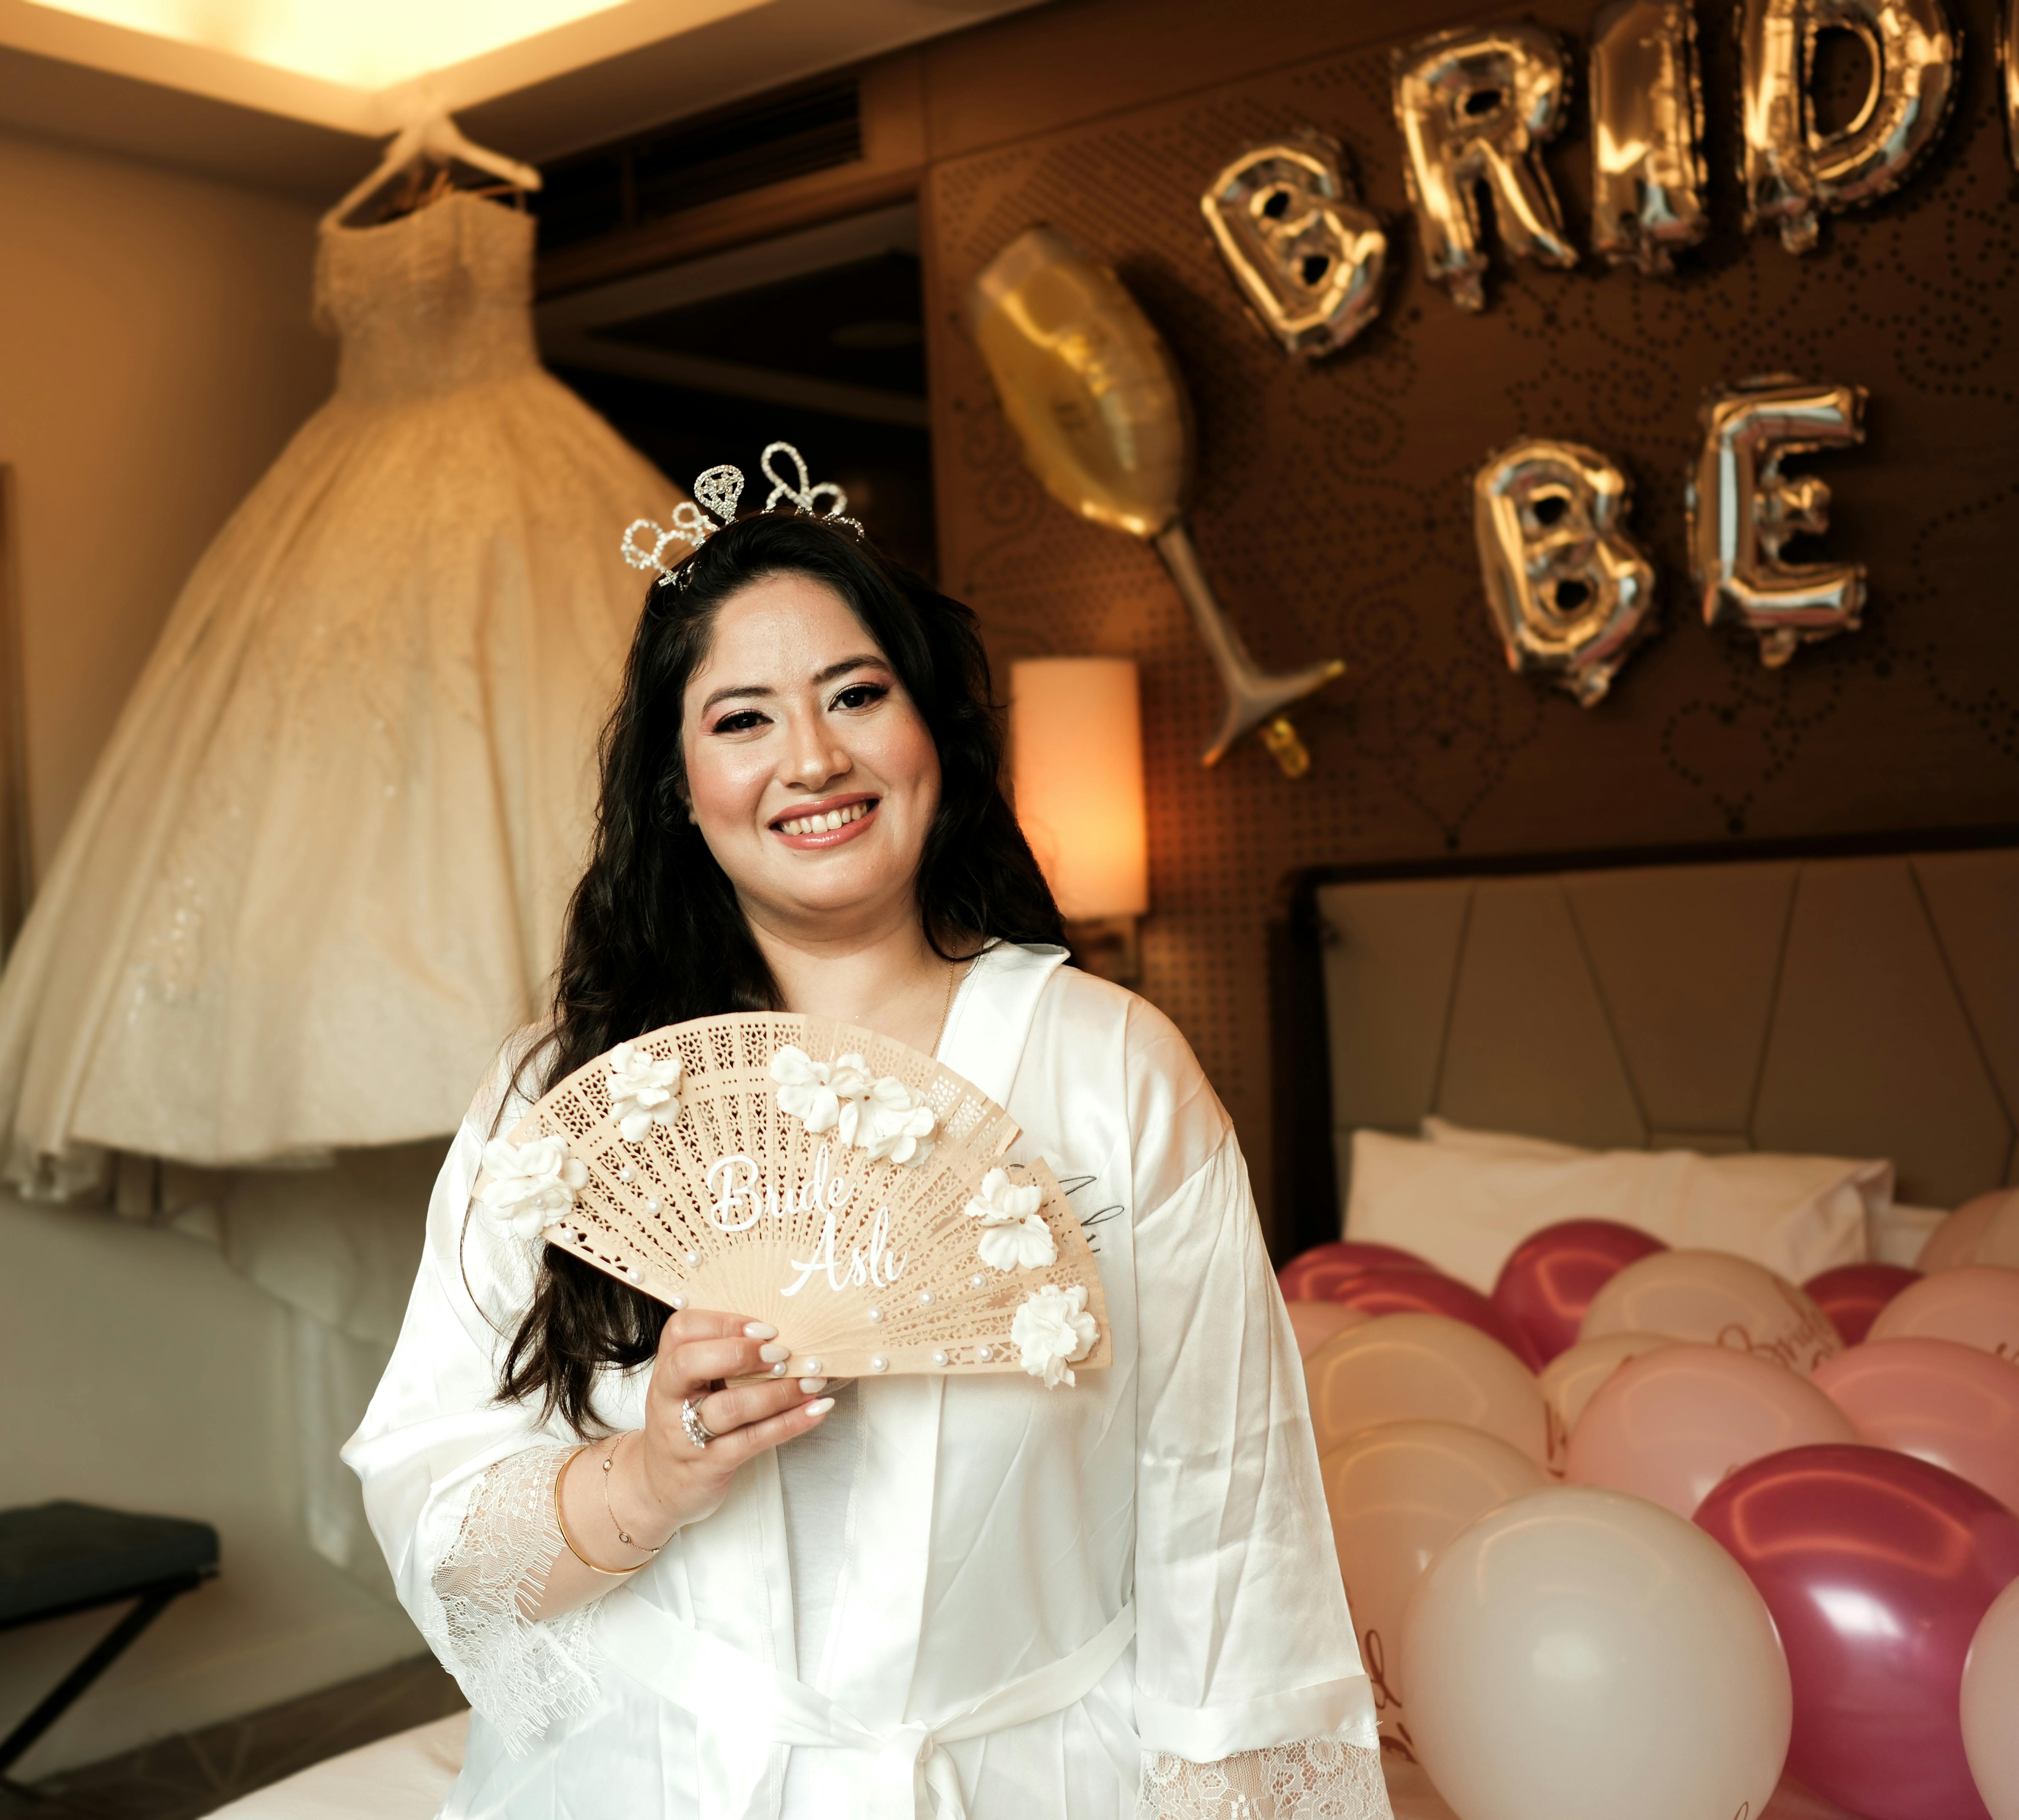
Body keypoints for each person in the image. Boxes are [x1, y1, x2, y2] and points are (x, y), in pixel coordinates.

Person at [343, 479, 1387, 1819]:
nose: (814, 761)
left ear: (932, 732)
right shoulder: (556, 1099)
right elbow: (437, 1508)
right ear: (678, 785)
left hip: (1029, 1778)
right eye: (741, 718)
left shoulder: (1112, 1067)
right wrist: (650, 1479)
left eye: (855, 695)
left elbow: (1226, 1525)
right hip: (652, 1777)